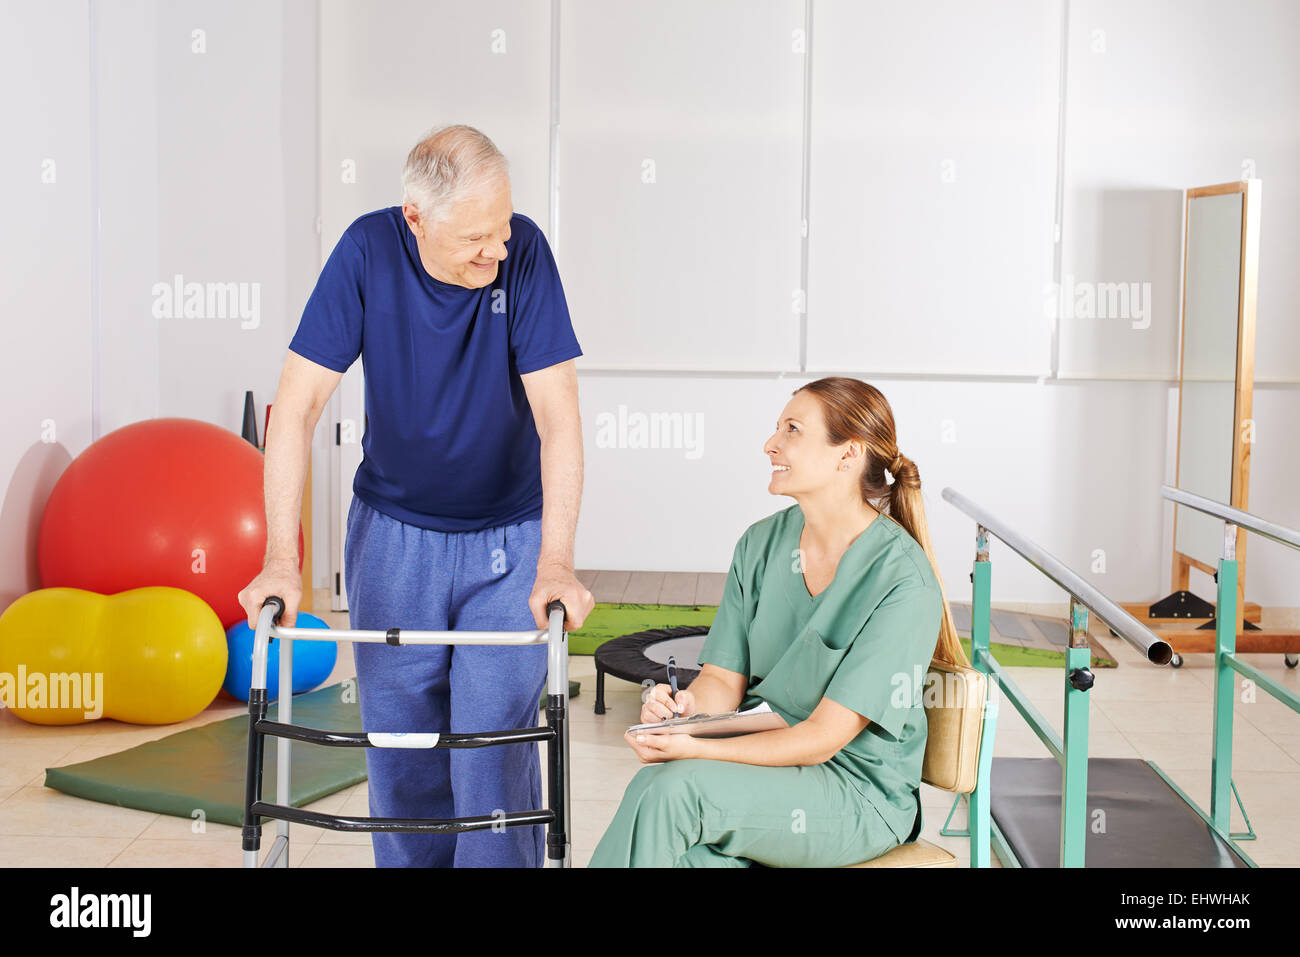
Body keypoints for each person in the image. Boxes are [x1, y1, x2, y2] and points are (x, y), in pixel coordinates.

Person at [237, 124, 594, 868]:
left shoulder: (523, 253)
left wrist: (556, 562)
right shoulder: (367, 252)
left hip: (508, 540)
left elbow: (559, 421)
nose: (494, 253)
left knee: (491, 753)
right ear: (415, 217)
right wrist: (281, 558)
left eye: (500, 231)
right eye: (475, 239)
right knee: (401, 753)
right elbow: (296, 408)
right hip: (394, 538)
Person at [589, 377, 968, 867]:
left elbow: (822, 739)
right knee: (678, 849)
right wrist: (684, 710)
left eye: (792, 429)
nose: (771, 445)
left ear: (847, 454)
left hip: (855, 793)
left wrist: (694, 749)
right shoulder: (760, 545)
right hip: (766, 771)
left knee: (673, 791)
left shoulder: (902, 580)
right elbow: (723, 678)